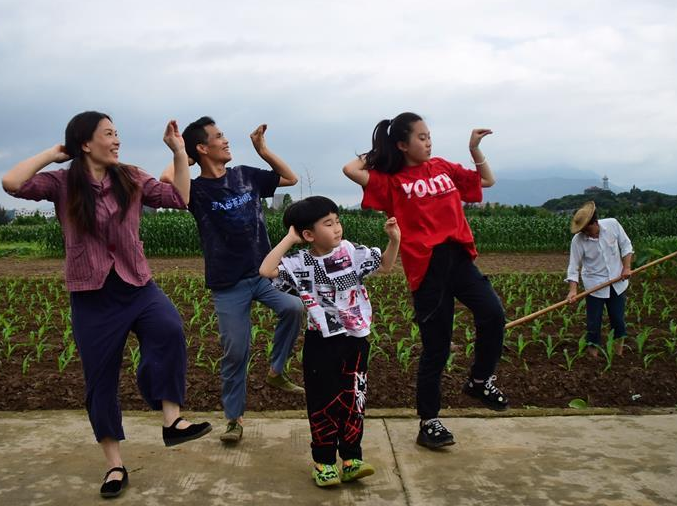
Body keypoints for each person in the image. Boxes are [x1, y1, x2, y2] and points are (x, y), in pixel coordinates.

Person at [1, 111, 211, 499]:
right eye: (109, 134)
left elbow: (179, 198)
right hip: (92, 295)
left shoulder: (130, 176)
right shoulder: (63, 183)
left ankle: (171, 419)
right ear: (85, 143)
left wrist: (179, 152)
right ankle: (114, 464)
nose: (117, 140)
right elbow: (12, 183)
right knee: (100, 380)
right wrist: (53, 153)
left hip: (137, 283)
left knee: (167, 329)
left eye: (118, 134)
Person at [342, 112, 509, 450]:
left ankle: (479, 380)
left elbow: (487, 181)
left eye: (429, 135)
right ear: (402, 144)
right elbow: (350, 169)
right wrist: (381, 149)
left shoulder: (444, 167)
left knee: (493, 314)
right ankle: (429, 421)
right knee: (437, 348)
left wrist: (474, 149)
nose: (428, 141)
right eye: (420, 137)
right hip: (426, 269)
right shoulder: (392, 181)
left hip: (459, 258)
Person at [160, 117, 304, 443]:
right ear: (202, 147)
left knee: (293, 307)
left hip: (263, 272)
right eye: (219, 136)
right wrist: (182, 153)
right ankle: (234, 420)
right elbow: (166, 178)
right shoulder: (195, 190)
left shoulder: (245, 175)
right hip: (227, 283)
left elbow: (290, 178)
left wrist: (263, 149)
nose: (226, 141)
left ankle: (276, 371)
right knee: (236, 352)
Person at [259, 196, 400, 487]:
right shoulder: (299, 263)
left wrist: (394, 240)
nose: (337, 227)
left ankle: (351, 459)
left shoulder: (350, 251)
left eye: (337, 220)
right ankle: (323, 463)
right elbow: (267, 270)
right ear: (308, 234)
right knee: (322, 401)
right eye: (328, 223)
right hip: (321, 342)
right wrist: (290, 238)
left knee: (353, 399)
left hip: (357, 338)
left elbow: (385, 266)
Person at [566, 201, 634, 357]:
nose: (585, 233)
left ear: (595, 222)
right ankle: (593, 355)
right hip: (594, 285)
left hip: (617, 282)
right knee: (593, 323)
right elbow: (573, 266)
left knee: (617, 319)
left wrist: (626, 267)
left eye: (587, 229)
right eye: (582, 230)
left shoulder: (612, 225)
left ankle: (618, 353)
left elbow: (626, 245)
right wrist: (573, 290)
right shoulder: (578, 240)